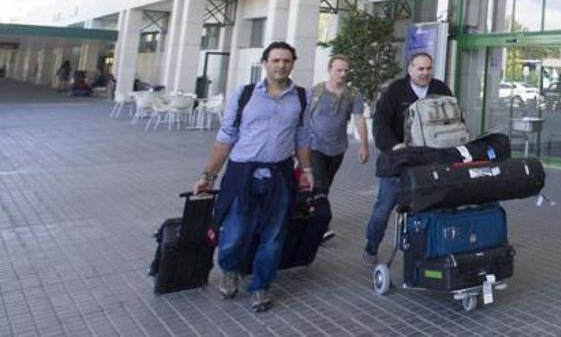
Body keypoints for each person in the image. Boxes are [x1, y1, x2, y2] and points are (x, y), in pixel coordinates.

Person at [191, 42, 313, 313]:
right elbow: (226, 137)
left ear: (293, 63)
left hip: (280, 174)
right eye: (275, 60)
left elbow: (303, 137)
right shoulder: (245, 94)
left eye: (286, 60)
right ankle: (231, 269)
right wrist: (208, 175)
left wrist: (306, 172)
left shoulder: (301, 97)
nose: (281, 65)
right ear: (264, 63)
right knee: (235, 231)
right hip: (242, 172)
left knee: (274, 236)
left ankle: (260, 286)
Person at [363, 51, 452, 264]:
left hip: (430, 161)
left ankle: (426, 249)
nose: (425, 73)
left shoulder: (441, 90)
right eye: (420, 68)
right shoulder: (395, 90)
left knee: (431, 207)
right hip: (397, 162)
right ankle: (371, 246)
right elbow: (380, 122)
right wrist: (395, 146)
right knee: (383, 209)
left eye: (428, 68)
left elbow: (453, 118)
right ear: (410, 69)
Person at [308, 55, 370, 239]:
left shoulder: (353, 94)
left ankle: (312, 215)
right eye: (338, 70)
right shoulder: (316, 92)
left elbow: (359, 118)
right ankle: (321, 225)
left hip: (338, 148)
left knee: (324, 186)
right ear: (330, 70)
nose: (342, 74)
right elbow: (303, 118)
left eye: (345, 71)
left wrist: (364, 146)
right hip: (314, 145)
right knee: (319, 185)